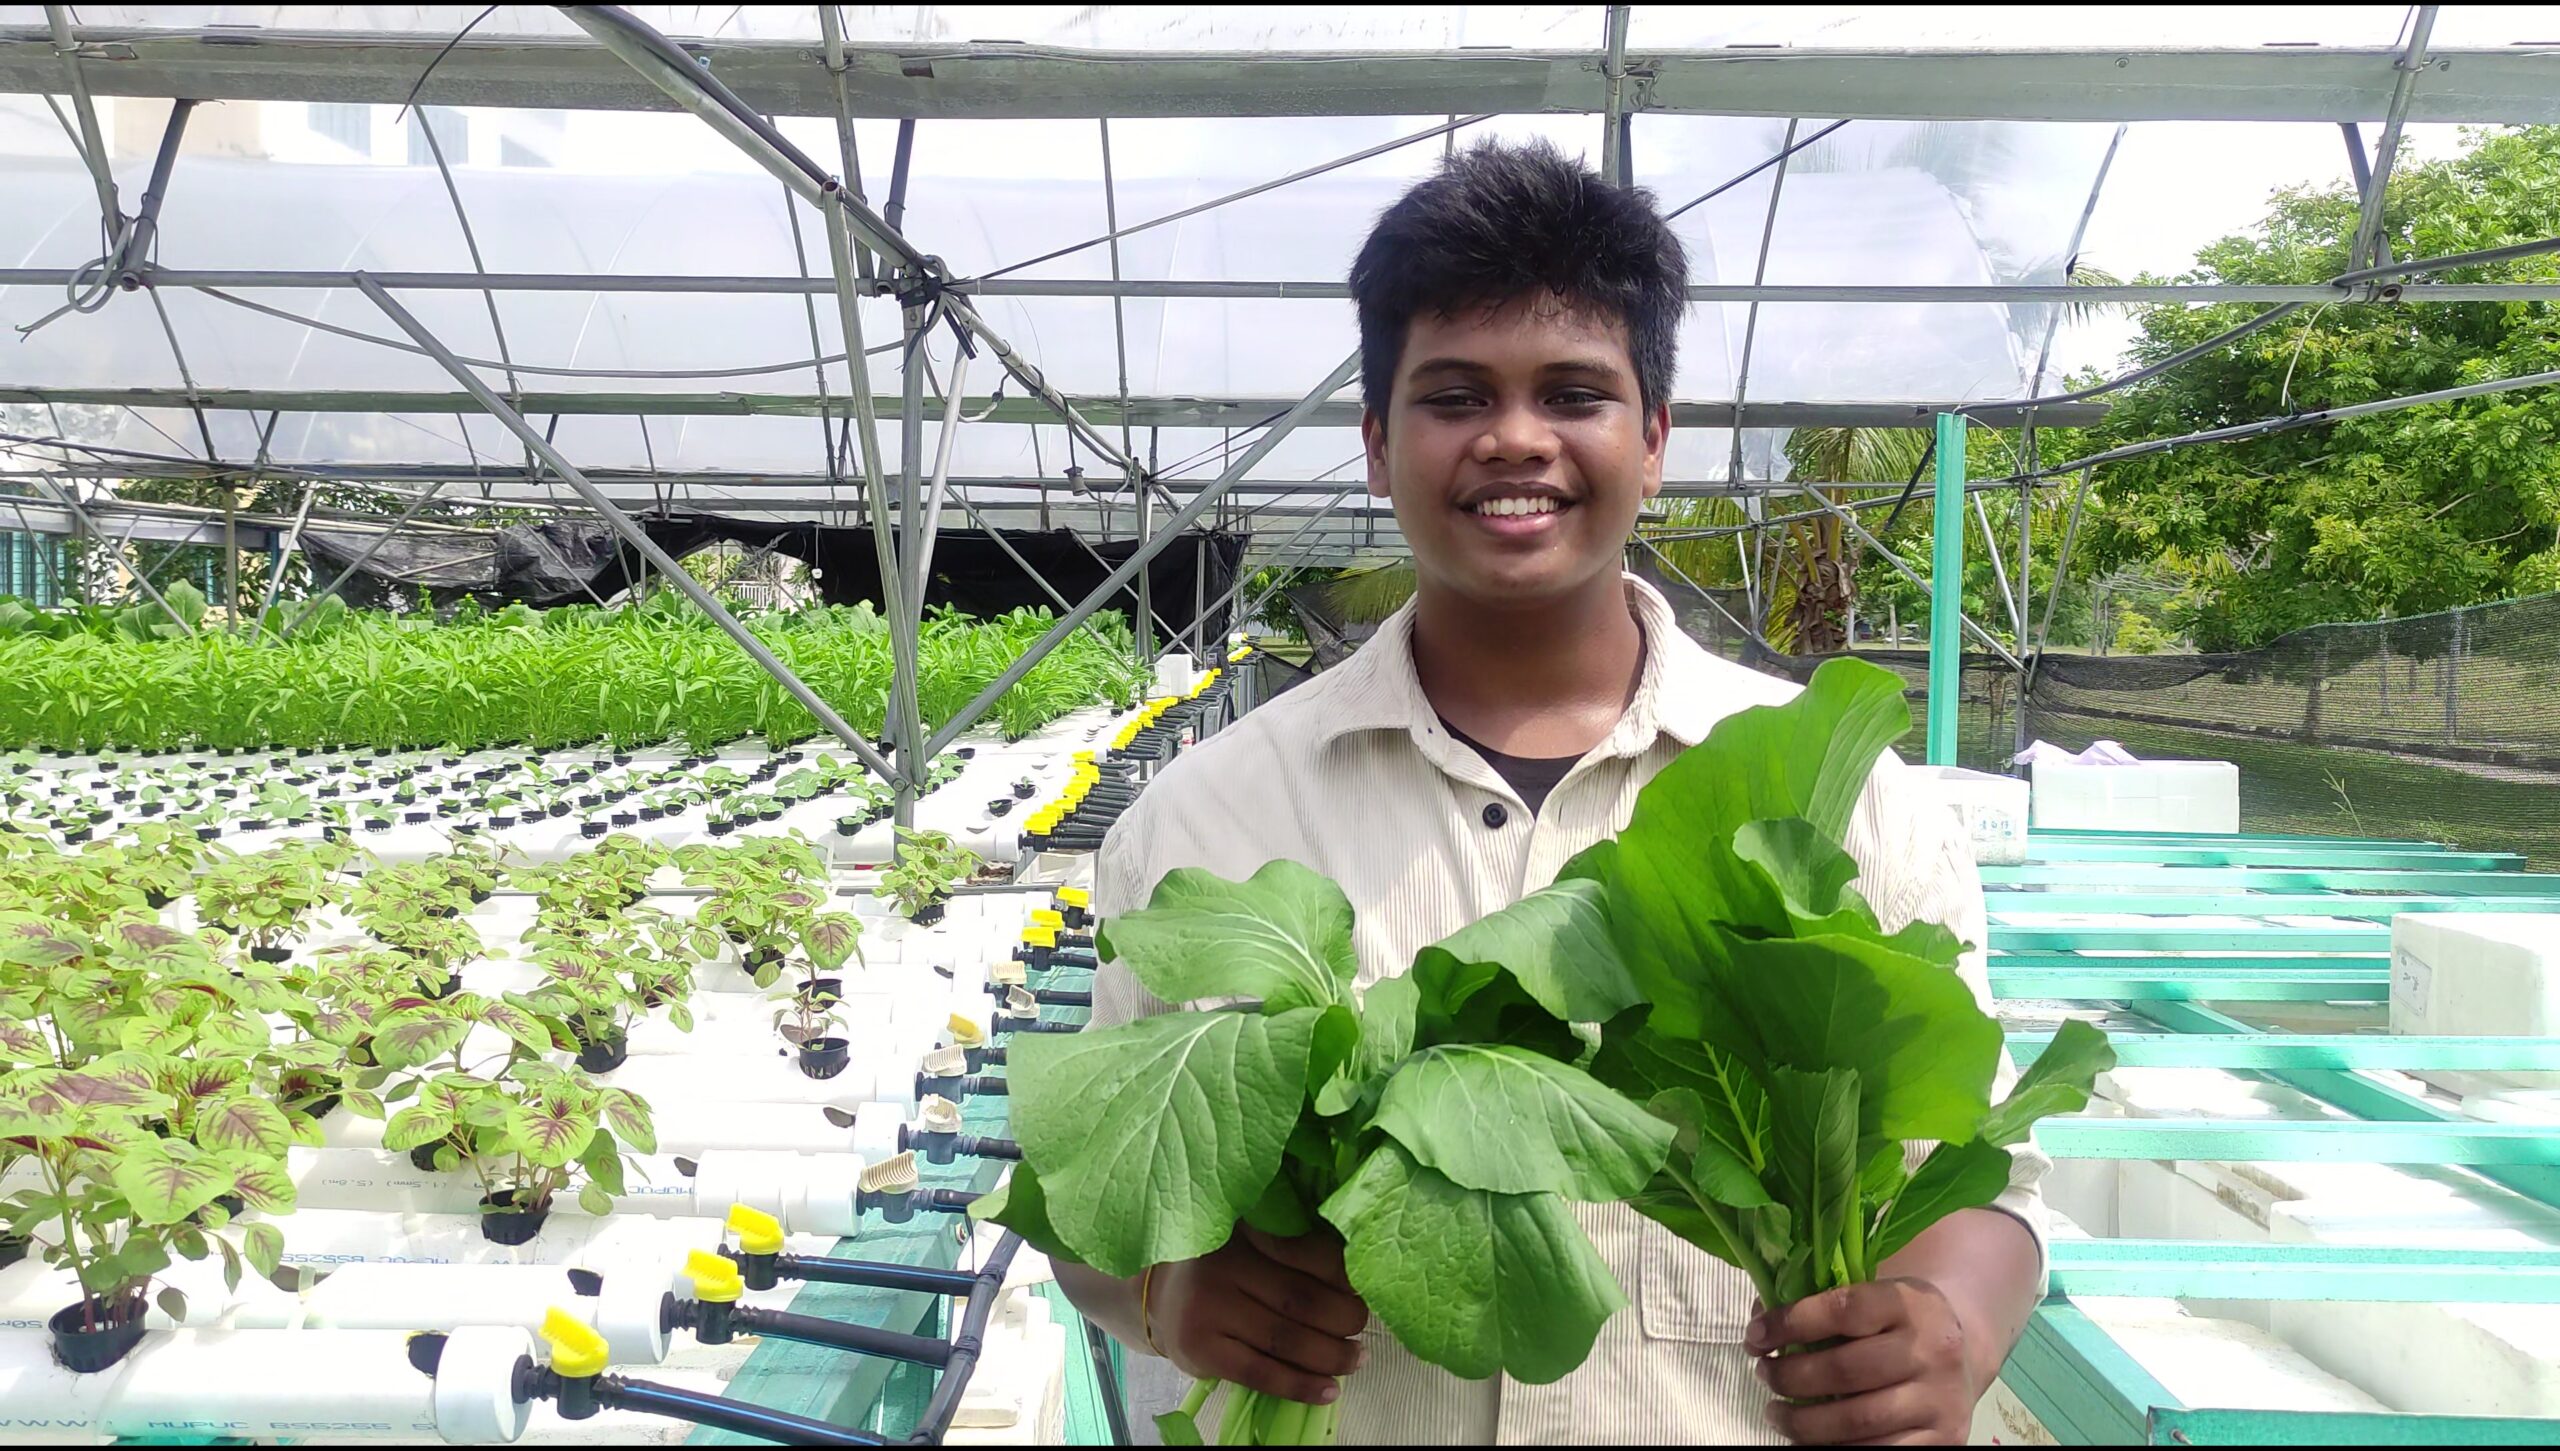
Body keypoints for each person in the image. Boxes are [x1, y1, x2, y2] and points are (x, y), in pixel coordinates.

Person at [1053, 138, 2048, 1445]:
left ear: (1653, 440)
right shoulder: (1206, 820)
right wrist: (1164, 1291)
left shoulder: (1844, 796)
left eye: (1573, 394)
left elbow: (1985, 1185)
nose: (1514, 438)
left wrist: (1950, 1330)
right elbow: (1090, 1196)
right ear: (1375, 443)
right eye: (1454, 396)